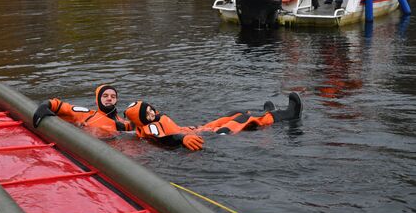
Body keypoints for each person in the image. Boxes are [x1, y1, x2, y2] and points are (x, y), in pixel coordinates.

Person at [124, 93, 303, 151]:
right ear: (140, 120)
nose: (152, 113)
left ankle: (266, 113)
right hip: (211, 136)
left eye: (150, 109)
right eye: (146, 114)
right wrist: (181, 139)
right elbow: (163, 139)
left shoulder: (147, 123)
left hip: (200, 130)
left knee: (235, 113)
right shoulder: (151, 127)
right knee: (243, 119)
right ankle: (288, 114)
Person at [33, 84, 132, 137]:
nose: (109, 98)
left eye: (113, 96)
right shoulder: (86, 114)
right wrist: (45, 105)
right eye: (105, 96)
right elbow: (60, 105)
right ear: (97, 100)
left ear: (116, 100)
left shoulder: (124, 124)